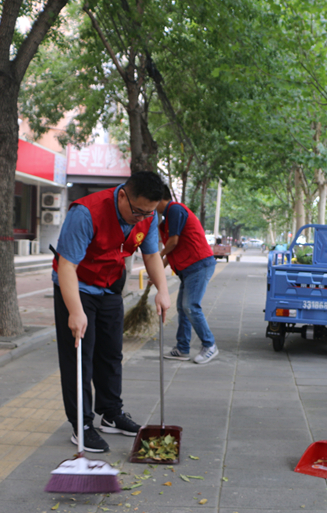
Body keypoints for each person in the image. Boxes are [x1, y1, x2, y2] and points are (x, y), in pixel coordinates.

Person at [53, 171, 171, 453]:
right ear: (123, 196)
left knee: (111, 353)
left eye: (149, 213)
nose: (142, 218)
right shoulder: (86, 213)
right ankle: (81, 424)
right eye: (137, 211)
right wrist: (75, 311)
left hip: (109, 287)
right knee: (80, 356)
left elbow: (151, 254)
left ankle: (111, 413)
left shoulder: (147, 217)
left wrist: (163, 290)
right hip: (77, 286)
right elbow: (67, 266)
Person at [155, 185, 219, 364]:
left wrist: (157, 257)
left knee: (190, 306)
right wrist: (157, 270)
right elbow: (172, 251)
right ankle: (182, 348)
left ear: (159, 199)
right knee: (183, 308)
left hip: (198, 265)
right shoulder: (167, 219)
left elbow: (173, 242)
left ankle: (210, 345)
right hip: (188, 269)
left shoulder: (175, 210)